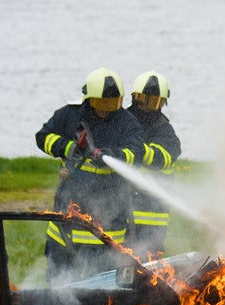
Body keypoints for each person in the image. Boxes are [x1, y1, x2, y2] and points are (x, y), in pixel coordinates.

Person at [35, 67, 145, 284]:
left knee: (103, 286)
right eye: (102, 103)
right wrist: (67, 148)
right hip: (69, 213)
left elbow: (137, 152)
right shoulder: (70, 115)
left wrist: (115, 155)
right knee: (58, 283)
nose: (108, 109)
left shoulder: (127, 122)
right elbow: (43, 137)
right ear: (89, 98)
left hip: (110, 217)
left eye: (113, 103)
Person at [126, 71, 182, 260]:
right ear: (134, 97)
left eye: (155, 102)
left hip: (152, 217)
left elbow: (164, 157)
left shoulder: (164, 131)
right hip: (123, 212)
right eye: (145, 100)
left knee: (150, 269)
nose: (148, 107)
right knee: (118, 262)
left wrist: (136, 151)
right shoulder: (122, 122)